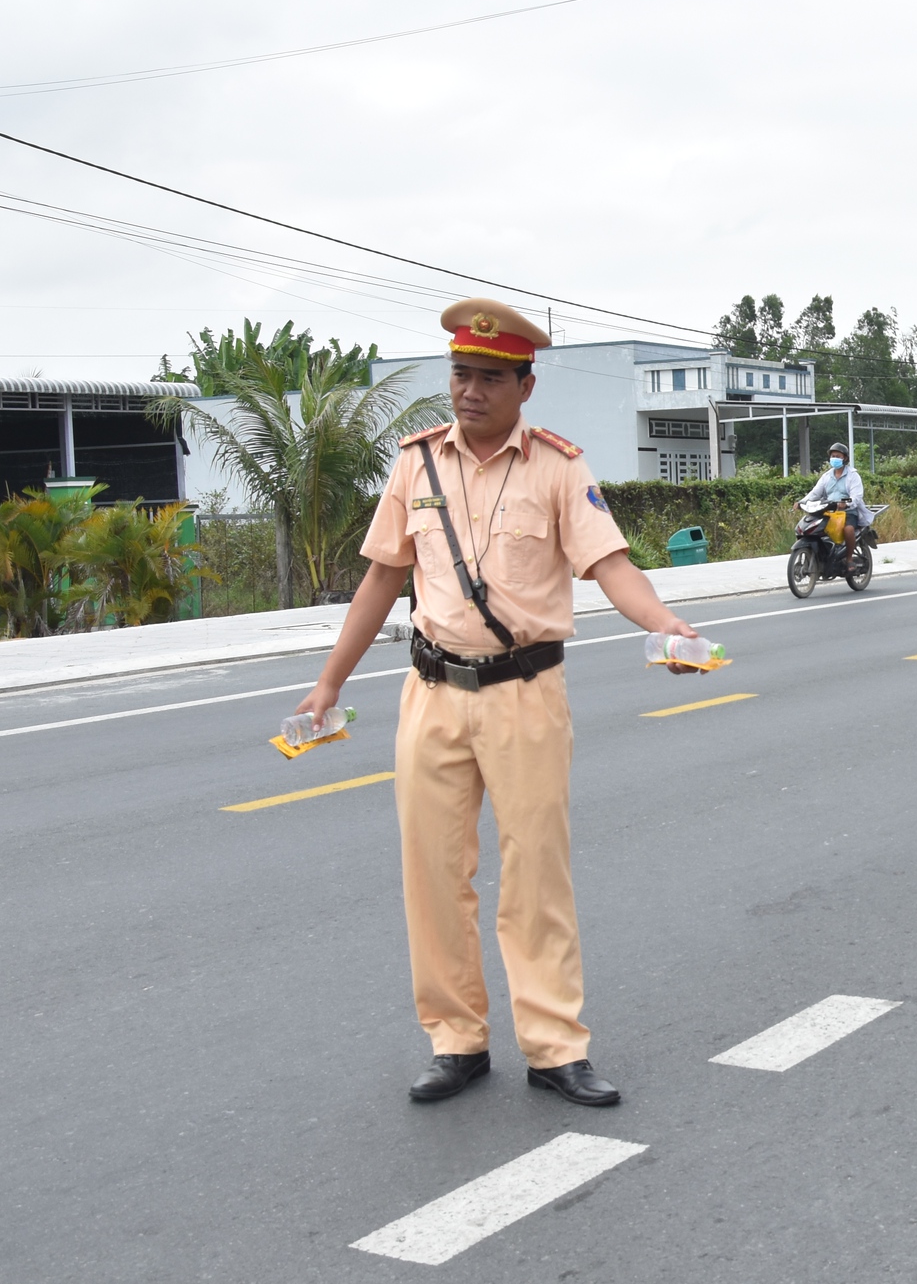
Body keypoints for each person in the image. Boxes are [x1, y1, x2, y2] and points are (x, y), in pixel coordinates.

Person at [294, 297, 704, 1108]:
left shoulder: (557, 467)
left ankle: (555, 1046)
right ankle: (456, 1039)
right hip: (432, 692)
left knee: (535, 874)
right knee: (434, 874)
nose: (469, 391)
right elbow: (382, 575)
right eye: (459, 374)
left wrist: (666, 625)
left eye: (488, 377)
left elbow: (610, 563)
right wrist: (330, 681)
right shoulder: (417, 464)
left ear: (525, 385)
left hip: (525, 692)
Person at [807, 441, 871, 528]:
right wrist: (802, 502)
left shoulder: (853, 475)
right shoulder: (826, 476)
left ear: (844, 458)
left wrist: (845, 502)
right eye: (833, 456)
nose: (834, 458)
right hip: (828, 512)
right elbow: (815, 493)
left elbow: (856, 496)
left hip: (848, 512)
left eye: (838, 456)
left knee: (848, 530)